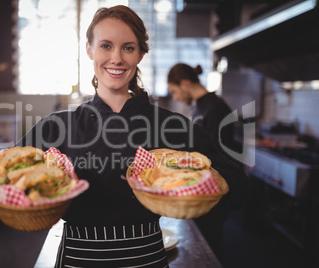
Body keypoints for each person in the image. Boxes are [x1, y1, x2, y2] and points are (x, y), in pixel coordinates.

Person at [18, 5, 247, 267]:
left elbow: (237, 184)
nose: (116, 58)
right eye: (105, 46)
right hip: (78, 259)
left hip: (145, 258)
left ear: (140, 54)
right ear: (89, 49)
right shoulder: (58, 126)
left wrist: (195, 184)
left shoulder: (169, 125)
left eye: (127, 48)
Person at [167, 63, 241, 259]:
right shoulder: (200, 106)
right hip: (202, 188)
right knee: (200, 241)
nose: (175, 97)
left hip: (214, 190)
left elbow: (215, 155)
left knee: (211, 247)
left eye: (174, 91)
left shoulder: (215, 108)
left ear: (184, 83)